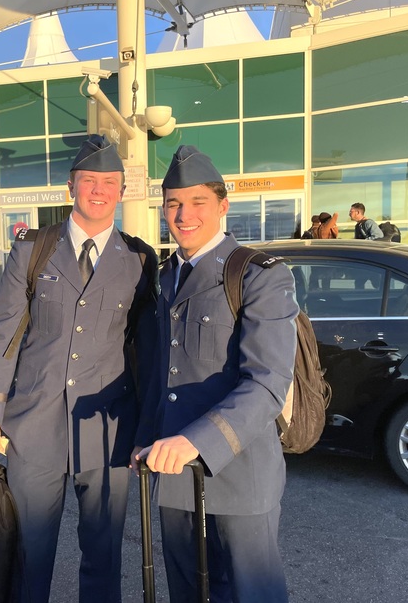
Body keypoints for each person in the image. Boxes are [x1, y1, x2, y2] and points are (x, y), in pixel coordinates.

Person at [0, 134, 157, 603]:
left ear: (121, 190)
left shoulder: (139, 259)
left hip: (108, 431)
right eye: (89, 180)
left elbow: (147, 349)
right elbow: (5, 334)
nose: (99, 190)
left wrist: (148, 427)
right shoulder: (33, 249)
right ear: (71, 186)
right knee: (29, 556)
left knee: (103, 556)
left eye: (109, 182)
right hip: (34, 428)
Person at [136, 145, 298, 603]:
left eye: (197, 202)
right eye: (173, 203)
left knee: (251, 592)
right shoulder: (165, 276)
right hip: (171, 472)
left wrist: (196, 442)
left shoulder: (257, 275)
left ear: (223, 206)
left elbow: (267, 383)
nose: (183, 214)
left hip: (239, 474)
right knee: (186, 591)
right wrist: (144, 436)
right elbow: (158, 372)